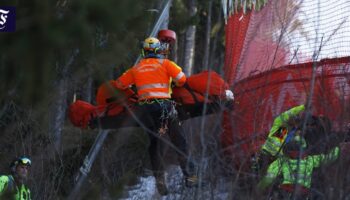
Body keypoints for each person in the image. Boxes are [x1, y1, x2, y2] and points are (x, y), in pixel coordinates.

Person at [114, 37, 196, 195]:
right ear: (158, 50)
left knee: (155, 145)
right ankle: (191, 178)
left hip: (145, 111)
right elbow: (182, 79)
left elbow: (119, 84)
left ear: (144, 51)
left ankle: (160, 183)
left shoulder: (136, 68)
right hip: (164, 108)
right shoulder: (166, 64)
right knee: (180, 141)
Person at [257, 133, 340, 200]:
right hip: (303, 194)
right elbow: (329, 158)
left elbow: (268, 178)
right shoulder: (310, 160)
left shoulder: (281, 161)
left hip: (285, 193)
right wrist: (337, 148)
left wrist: (258, 189)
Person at [253, 104, 305, 172]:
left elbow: (296, 145)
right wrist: (303, 107)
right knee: (257, 173)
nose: (295, 120)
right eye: (294, 118)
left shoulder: (292, 132)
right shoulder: (280, 125)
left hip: (276, 160)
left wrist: (297, 137)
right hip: (266, 155)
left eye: (296, 119)